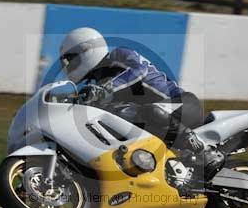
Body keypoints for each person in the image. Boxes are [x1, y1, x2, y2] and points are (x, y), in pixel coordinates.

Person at [59, 27, 207, 159]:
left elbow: (139, 71)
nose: (68, 67)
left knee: (151, 112)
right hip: (161, 121)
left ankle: (200, 147)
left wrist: (106, 89)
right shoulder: (96, 86)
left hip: (182, 103)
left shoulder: (118, 56)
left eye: (71, 60)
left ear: (86, 51)